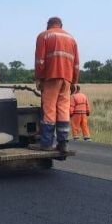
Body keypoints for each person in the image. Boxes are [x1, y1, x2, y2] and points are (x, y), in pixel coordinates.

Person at [34, 16, 79, 151]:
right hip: (67, 79)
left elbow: (40, 61)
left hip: (51, 77)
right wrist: (74, 82)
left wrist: (39, 78)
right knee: (63, 110)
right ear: (61, 25)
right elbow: (76, 64)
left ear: (48, 25)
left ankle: (47, 143)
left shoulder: (44, 36)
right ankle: (63, 143)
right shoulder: (71, 38)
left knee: (49, 109)